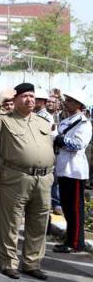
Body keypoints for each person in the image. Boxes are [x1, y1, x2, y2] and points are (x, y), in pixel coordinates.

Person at [0, 83, 55, 280]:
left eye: (32, 96)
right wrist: (0, 97)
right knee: (11, 222)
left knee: (39, 223)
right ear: (14, 100)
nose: (30, 99)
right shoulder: (5, 121)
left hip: (43, 178)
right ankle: (8, 262)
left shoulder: (42, 122)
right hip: (16, 178)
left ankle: (32, 263)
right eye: (24, 96)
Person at [53, 90, 92, 253]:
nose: (66, 103)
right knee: (68, 208)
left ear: (78, 105)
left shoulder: (84, 123)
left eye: (69, 101)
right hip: (64, 169)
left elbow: (77, 144)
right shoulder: (67, 120)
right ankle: (70, 239)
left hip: (75, 170)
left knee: (75, 209)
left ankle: (75, 242)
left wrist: (58, 139)